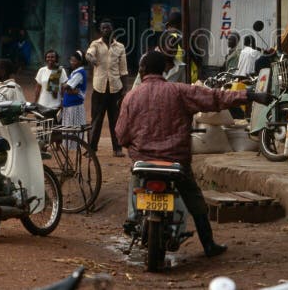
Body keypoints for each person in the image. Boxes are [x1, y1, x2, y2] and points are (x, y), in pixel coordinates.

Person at [115, 51, 272, 258]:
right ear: (165, 69)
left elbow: (121, 134)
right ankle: (208, 244)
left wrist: (132, 146)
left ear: (142, 70)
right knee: (195, 202)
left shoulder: (131, 97)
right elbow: (216, 97)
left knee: (136, 181)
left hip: (143, 160)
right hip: (176, 161)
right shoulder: (179, 91)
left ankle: (133, 220)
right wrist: (250, 95)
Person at [86, 19, 128, 157]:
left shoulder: (120, 47)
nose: (105, 30)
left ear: (112, 29)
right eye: (103, 28)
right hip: (99, 89)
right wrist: (91, 59)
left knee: (115, 120)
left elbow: (123, 70)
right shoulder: (95, 44)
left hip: (115, 88)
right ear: (100, 30)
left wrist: (124, 90)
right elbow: (89, 53)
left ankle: (117, 149)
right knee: (96, 120)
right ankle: (92, 148)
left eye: (108, 27)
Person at [62, 50, 87, 127]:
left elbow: (66, 86)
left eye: (74, 61)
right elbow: (68, 89)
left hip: (74, 106)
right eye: (71, 60)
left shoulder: (79, 73)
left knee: (73, 128)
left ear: (80, 62)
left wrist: (66, 86)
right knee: (70, 128)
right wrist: (69, 89)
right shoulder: (75, 72)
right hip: (70, 104)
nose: (72, 62)